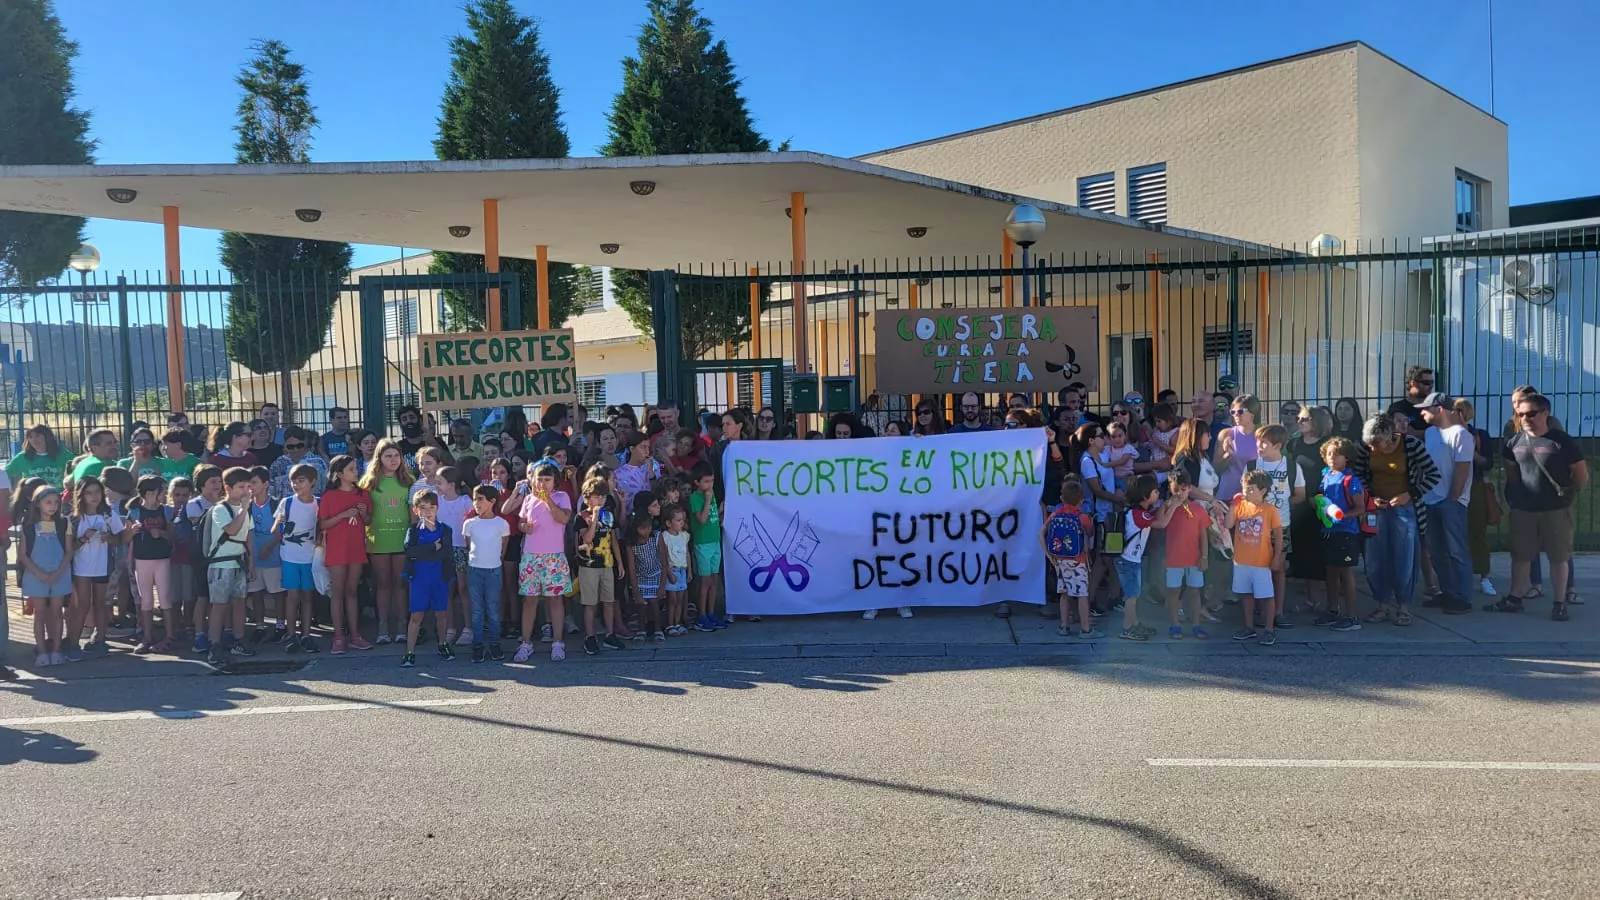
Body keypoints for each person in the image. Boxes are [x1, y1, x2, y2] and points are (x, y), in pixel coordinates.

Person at [1499, 392, 1586, 621]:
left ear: (1545, 413)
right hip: (1524, 508)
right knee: (1521, 555)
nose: (1526, 418)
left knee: (1558, 556)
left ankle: (1559, 602)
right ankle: (1515, 598)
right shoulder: (1514, 442)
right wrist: (1516, 499)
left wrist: (1567, 495)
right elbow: (1512, 474)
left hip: (1555, 509)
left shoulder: (1561, 441)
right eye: (1521, 414)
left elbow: (1581, 475)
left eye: (1532, 413)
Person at [1355, 414, 1439, 626]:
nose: (1373, 448)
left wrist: (1409, 494)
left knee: (1405, 558)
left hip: (1405, 507)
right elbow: (1359, 476)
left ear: (1391, 437)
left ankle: (1403, 606)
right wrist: (1370, 498)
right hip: (1376, 508)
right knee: (1374, 558)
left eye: (1377, 444)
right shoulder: (1366, 449)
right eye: (1370, 444)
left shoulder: (1411, 445)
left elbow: (1433, 475)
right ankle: (1382, 603)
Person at [1417, 392, 1474, 615]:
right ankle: (1448, 592)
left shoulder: (1460, 434)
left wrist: (1453, 497)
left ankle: (1462, 597)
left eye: (1426, 409)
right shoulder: (1431, 433)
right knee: (1436, 551)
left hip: (1451, 502)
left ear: (1439, 409)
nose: (1422, 412)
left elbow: (1462, 468)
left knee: (1456, 550)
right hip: (1430, 500)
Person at [513, 460, 574, 662]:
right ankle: (526, 643)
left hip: (554, 556)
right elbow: (521, 521)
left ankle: (558, 642)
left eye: (547, 480)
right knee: (529, 600)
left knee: (555, 599)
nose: (542, 484)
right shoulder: (529, 499)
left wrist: (547, 499)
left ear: (555, 480)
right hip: (531, 556)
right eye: (539, 480)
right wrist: (524, 527)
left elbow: (563, 519)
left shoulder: (562, 497)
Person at [361, 439, 416, 643]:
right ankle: (383, 627)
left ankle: (402, 625)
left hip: (402, 539)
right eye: (388, 456)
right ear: (379, 458)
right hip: (378, 539)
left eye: (396, 455)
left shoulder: (409, 481)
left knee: (401, 584)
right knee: (383, 584)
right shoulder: (368, 482)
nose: (393, 460)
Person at [1252, 425, 1305, 629]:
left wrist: (1279, 506)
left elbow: (1300, 495)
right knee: (1258, 568)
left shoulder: (1291, 467)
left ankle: (1278, 611)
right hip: (1256, 525)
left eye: (1264, 442)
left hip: (1281, 525)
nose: (1259, 446)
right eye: (1258, 441)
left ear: (1278, 445)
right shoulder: (1252, 465)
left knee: (1278, 568)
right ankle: (1259, 609)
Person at [202, 467, 256, 668]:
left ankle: (239, 640)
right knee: (219, 605)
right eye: (241, 487)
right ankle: (214, 644)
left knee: (240, 602)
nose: (246, 491)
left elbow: (248, 536)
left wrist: (251, 563)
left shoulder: (244, 510)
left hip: (239, 562)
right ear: (228, 488)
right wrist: (242, 510)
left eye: (248, 486)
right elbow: (232, 530)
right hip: (221, 563)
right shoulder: (220, 509)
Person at [319, 455, 373, 653]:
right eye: (351, 469)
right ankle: (338, 636)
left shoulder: (363, 494)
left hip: (356, 547)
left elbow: (368, 521)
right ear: (340, 474)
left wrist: (362, 513)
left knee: (352, 591)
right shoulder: (329, 496)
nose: (356, 471)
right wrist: (342, 515)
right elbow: (322, 524)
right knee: (338, 591)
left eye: (355, 468)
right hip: (337, 548)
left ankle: (355, 634)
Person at [397, 490, 455, 668]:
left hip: (439, 578)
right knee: (416, 615)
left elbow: (446, 552)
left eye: (431, 507)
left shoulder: (445, 529)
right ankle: (409, 652)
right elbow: (410, 551)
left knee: (441, 614)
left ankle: (443, 644)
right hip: (419, 579)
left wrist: (428, 552)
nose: (428, 511)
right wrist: (433, 547)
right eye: (423, 508)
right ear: (416, 510)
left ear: (437, 508)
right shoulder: (413, 531)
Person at [570, 474, 627, 656]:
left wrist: (619, 563)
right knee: (590, 604)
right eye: (596, 496)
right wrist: (594, 519)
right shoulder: (582, 517)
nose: (600, 499)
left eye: (603, 496)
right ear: (587, 497)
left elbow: (613, 540)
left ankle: (610, 635)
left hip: (607, 563)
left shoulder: (609, 516)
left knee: (609, 601)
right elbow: (586, 538)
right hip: (588, 565)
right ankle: (590, 637)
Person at [68, 475, 124, 658]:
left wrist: (110, 538)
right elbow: (70, 547)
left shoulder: (108, 515)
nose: (94, 496)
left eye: (97, 492)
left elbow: (120, 539)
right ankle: (73, 643)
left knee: (101, 603)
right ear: (81, 496)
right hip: (81, 568)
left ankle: (100, 639)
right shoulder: (75, 519)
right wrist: (84, 538)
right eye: (89, 493)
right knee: (82, 605)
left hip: (102, 566)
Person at [20, 486, 74, 666]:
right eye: (48, 502)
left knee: (57, 612)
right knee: (40, 614)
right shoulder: (27, 527)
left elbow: (69, 551)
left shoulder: (64, 524)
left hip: (60, 574)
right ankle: (42, 651)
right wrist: (40, 574)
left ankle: (56, 650)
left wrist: (58, 573)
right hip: (36, 576)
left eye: (56, 502)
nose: (53, 506)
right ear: (38, 504)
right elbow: (23, 556)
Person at [1042, 477, 1101, 639]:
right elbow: (1089, 534)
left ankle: (1064, 626)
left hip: (1059, 559)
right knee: (1082, 594)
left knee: (1064, 593)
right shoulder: (1083, 517)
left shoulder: (1055, 514)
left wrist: (1049, 554)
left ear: (1062, 498)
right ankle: (1086, 628)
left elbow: (1041, 533)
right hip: (1079, 560)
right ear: (1081, 500)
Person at [1317, 437, 1366, 631]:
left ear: (1347, 458)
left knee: (1346, 573)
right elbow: (1320, 497)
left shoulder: (1351, 480)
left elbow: (1360, 508)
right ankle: (1332, 610)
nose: (1332, 458)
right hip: (1328, 531)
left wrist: (1343, 515)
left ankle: (1352, 616)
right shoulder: (1327, 476)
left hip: (1346, 532)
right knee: (1330, 572)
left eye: (1337, 455)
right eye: (1329, 454)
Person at [1229, 471, 1282, 645]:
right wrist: (1232, 506)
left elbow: (1278, 535)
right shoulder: (1240, 505)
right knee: (1246, 594)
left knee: (1267, 596)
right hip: (1241, 559)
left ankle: (1269, 629)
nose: (1246, 492)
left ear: (1263, 490)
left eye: (1250, 489)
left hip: (1261, 561)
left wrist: (1276, 557)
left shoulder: (1269, 510)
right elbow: (1228, 524)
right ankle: (1249, 627)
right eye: (1244, 488)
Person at [126, 475, 176, 654]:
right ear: (151, 493)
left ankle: (169, 636)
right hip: (142, 559)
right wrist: (132, 531)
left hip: (162, 559)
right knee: (145, 599)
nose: (164, 494)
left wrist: (161, 533)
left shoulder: (167, 511)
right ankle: (147, 636)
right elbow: (126, 538)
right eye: (162, 491)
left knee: (165, 598)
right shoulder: (134, 512)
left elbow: (172, 536)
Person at [273, 464, 321, 654]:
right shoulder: (287, 502)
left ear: (312, 482)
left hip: (310, 557)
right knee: (292, 597)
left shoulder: (320, 503)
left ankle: (306, 635)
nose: (296, 484)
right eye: (294, 481)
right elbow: (275, 531)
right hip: (290, 557)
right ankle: (291, 635)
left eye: (301, 481)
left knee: (308, 597)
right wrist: (280, 523)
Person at [1453, 398, 1496, 598]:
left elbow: (1488, 463)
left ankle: (1484, 576)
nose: (1457, 414)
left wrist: (1473, 453)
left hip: (1475, 485)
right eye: (1454, 410)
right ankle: (1458, 576)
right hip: (1452, 486)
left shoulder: (1479, 435)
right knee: (1454, 534)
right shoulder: (1444, 435)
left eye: (1461, 410)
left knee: (1477, 532)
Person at [1162, 469, 1212, 640]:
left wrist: (1204, 556)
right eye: (1176, 489)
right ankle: (1175, 624)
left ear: (1190, 488)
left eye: (1183, 489)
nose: (1180, 493)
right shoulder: (1168, 506)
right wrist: (1169, 505)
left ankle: (1196, 624)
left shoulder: (1198, 508)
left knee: (1194, 591)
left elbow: (1204, 534)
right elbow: (1159, 522)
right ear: (1170, 488)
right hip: (1173, 558)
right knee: (1174, 591)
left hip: (1194, 558)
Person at [462, 484, 510, 663]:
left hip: (493, 570)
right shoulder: (470, 523)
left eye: (480, 499)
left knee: (492, 609)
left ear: (492, 501)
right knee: (477, 610)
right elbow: (469, 545)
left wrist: (494, 561)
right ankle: (477, 645)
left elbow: (503, 548)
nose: (476, 503)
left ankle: (495, 644)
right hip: (475, 569)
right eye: (475, 499)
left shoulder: (501, 524)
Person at [1115, 475, 1164, 641]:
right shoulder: (1138, 514)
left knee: (1134, 594)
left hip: (1132, 560)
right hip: (1128, 560)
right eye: (1155, 491)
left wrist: (1167, 506)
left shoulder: (1139, 513)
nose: (1158, 493)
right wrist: (1174, 506)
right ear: (1145, 495)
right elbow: (1161, 524)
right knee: (1131, 596)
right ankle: (1127, 628)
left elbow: (1157, 518)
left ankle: (1135, 623)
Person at [244, 466, 285, 644]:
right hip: (254, 559)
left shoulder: (276, 504)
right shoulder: (246, 507)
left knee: (278, 593)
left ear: (266, 484)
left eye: (254, 482)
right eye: (248, 483)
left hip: (274, 557)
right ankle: (260, 626)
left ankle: (280, 626)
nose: (250, 487)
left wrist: (268, 547)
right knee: (256, 593)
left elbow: (282, 531)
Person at [687, 462, 726, 631]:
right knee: (704, 581)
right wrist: (708, 499)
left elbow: (714, 516)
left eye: (712, 481)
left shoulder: (711, 495)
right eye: (706, 481)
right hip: (703, 543)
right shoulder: (695, 498)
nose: (710, 485)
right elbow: (702, 519)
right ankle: (701, 615)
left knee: (714, 580)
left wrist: (720, 508)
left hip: (715, 540)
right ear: (697, 482)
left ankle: (711, 612)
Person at [623, 511, 667, 643]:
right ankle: (642, 629)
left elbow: (664, 561)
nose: (646, 531)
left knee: (654, 602)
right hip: (640, 576)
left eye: (648, 527)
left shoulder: (657, 537)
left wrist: (662, 586)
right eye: (642, 528)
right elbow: (631, 567)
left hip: (655, 574)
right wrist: (635, 591)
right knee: (641, 604)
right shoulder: (631, 544)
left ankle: (658, 629)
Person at [1214, 394, 1261, 502]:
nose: (1236, 415)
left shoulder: (1261, 436)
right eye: (1233, 412)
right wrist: (1228, 455)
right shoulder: (1226, 434)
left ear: (1252, 413)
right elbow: (1216, 468)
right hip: (1228, 494)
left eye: (1240, 412)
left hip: (1253, 496)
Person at [268, 426, 328, 499]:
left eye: (299, 446)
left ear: (305, 443)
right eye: (291, 447)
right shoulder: (278, 464)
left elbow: (326, 488)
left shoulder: (318, 462)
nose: (295, 450)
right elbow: (272, 492)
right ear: (285, 445)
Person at [660, 504, 693, 635]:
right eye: (678, 520)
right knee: (672, 600)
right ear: (669, 523)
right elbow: (664, 557)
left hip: (682, 570)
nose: (681, 523)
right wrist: (669, 573)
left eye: (682, 520)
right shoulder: (665, 537)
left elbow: (687, 554)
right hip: (672, 570)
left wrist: (689, 571)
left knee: (680, 599)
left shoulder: (684, 536)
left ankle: (678, 623)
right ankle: (670, 624)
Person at [8, 424, 72, 488]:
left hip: (58, 497)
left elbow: (79, 466)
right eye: (30, 437)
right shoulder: (23, 457)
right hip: (32, 497)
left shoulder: (63, 455)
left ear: (47, 437)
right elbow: (4, 473)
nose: (34, 440)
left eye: (37, 436)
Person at [394, 404, 451, 473]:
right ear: (401, 424)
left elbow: (451, 464)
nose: (409, 421)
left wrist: (433, 443)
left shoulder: (435, 441)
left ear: (420, 420)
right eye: (404, 419)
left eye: (412, 417)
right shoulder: (398, 447)